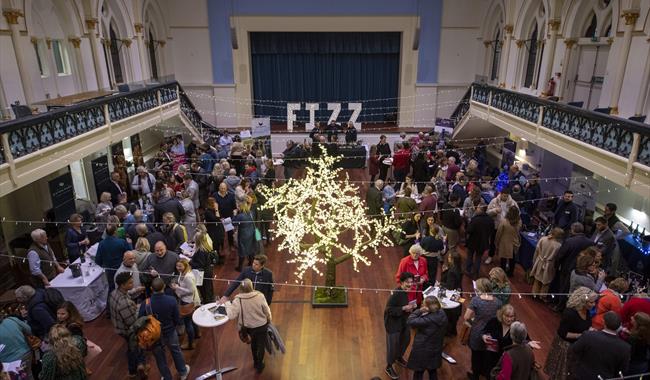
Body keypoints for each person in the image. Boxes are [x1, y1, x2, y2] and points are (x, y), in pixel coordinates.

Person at [138, 278, 190, 380]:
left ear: (152, 289)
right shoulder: (171, 300)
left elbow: (141, 320)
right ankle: (183, 372)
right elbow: (177, 318)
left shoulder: (146, 303)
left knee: (160, 358)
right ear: (164, 287)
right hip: (170, 331)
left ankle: (167, 377)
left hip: (154, 335)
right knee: (176, 351)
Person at [544, 287, 597, 380]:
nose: (593, 304)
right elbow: (562, 333)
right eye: (591, 302)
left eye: (594, 302)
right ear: (583, 301)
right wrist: (583, 335)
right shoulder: (570, 313)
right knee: (559, 374)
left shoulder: (587, 312)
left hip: (576, 347)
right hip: (565, 347)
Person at [225, 278, 272, 373]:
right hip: (262, 325)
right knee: (261, 345)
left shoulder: (238, 300)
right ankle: (260, 364)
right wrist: (269, 319)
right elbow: (266, 310)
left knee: (254, 344)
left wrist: (227, 303)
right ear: (252, 286)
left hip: (249, 327)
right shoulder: (260, 296)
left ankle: (255, 362)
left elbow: (231, 315)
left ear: (240, 289)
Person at [569, 311, 631, 379]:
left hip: (582, 375)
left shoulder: (588, 335)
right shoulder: (625, 348)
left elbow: (575, 349)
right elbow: (622, 370)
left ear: (604, 322)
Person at [110, 272, 147, 379]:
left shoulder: (114, 293)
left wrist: (136, 290)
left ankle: (140, 365)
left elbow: (128, 294)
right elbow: (133, 322)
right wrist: (140, 309)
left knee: (135, 347)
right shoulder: (124, 303)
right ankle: (133, 371)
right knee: (134, 348)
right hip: (127, 330)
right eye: (130, 283)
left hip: (118, 326)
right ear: (122, 285)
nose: (133, 284)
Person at [464, 278, 503, 380]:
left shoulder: (476, 300)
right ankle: (485, 374)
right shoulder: (498, 302)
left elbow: (466, 317)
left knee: (476, 356)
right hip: (492, 333)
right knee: (488, 356)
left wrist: (475, 320)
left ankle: (475, 376)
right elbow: (500, 318)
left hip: (477, 332)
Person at [554, 223, 595, 311]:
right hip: (583, 271)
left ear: (573, 230)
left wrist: (556, 266)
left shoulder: (569, 241)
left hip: (567, 269)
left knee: (564, 289)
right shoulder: (590, 242)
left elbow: (560, 255)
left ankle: (559, 307)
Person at [383, 272, 417, 380]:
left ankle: (399, 357)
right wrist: (403, 308)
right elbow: (388, 310)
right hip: (393, 324)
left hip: (403, 321)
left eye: (411, 282)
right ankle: (389, 366)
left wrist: (411, 307)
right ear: (402, 282)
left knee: (406, 340)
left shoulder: (408, 292)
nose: (410, 284)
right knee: (392, 346)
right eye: (407, 282)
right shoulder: (396, 293)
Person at [406, 296, 448, 380]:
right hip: (436, 347)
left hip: (423, 349)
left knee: (418, 372)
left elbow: (410, 321)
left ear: (428, 307)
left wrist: (419, 311)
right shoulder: (442, 313)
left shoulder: (427, 320)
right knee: (432, 371)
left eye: (423, 304)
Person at [95, 224, 132, 300]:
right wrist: (130, 243)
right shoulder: (122, 242)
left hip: (109, 271)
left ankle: (112, 306)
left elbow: (97, 261)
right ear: (115, 232)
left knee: (112, 288)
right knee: (125, 287)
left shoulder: (101, 244)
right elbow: (130, 253)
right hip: (122, 270)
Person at [171, 259, 201, 350]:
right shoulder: (183, 273)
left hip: (187, 301)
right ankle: (197, 333)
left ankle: (191, 344)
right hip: (189, 300)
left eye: (180, 266)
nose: (178, 268)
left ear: (185, 266)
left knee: (188, 323)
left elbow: (191, 290)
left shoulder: (187, 276)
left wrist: (178, 287)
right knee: (192, 319)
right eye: (177, 266)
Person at [486, 188, 519, 264]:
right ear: (501, 194)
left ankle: (506, 261)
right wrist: (494, 211)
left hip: (507, 228)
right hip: (496, 226)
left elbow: (517, 213)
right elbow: (487, 212)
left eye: (507, 196)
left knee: (506, 245)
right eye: (504, 196)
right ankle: (490, 256)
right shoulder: (494, 201)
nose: (505, 197)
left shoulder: (513, 203)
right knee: (493, 242)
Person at [531, 228, 563, 299]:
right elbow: (557, 258)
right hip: (549, 265)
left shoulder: (543, 239)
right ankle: (542, 296)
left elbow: (537, 250)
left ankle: (534, 293)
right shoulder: (558, 245)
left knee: (537, 279)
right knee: (546, 282)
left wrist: (534, 261)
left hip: (540, 261)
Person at [0, 313, 33, 380]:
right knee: (29, 375)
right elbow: (29, 330)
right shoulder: (12, 319)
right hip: (26, 353)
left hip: (8, 362)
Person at [465, 204, 494, 279]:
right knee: (478, 258)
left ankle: (468, 270)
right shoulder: (490, 219)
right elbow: (492, 230)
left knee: (470, 256)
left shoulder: (475, 219)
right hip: (483, 242)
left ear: (481, 209)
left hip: (472, 242)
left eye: (477, 208)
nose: (476, 209)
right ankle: (475, 273)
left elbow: (469, 230)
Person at [620, 312, 650, 376]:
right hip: (644, 363)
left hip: (634, 365)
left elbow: (630, 353)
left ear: (637, 323)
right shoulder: (646, 333)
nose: (631, 317)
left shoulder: (633, 338)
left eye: (634, 318)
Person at [190, 230, 216, 303]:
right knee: (208, 288)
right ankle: (209, 300)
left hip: (203, 274)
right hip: (207, 271)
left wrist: (190, 262)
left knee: (205, 290)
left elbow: (200, 264)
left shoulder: (201, 251)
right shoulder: (205, 248)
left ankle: (207, 303)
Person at [495, 206, 521, 277]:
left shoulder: (504, 221)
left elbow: (499, 233)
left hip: (504, 243)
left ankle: (502, 272)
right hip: (514, 242)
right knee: (512, 259)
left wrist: (496, 242)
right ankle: (510, 273)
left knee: (503, 259)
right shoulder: (519, 221)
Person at [232, 202, 257, 271]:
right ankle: (251, 263)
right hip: (251, 233)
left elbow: (233, 223)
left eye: (238, 207)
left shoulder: (240, 216)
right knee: (251, 249)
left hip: (243, 235)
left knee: (242, 250)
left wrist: (234, 214)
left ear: (240, 207)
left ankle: (240, 267)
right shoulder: (251, 213)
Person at [213, 182, 236, 250]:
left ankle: (231, 245)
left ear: (226, 189)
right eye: (221, 188)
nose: (223, 190)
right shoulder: (215, 195)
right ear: (219, 188)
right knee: (220, 234)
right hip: (219, 218)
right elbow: (213, 207)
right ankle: (221, 247)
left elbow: (234, 207)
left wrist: (234, 215)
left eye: (224, 188)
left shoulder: (231, 195)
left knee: (230, 233)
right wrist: (218, 217)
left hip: (228, 218)